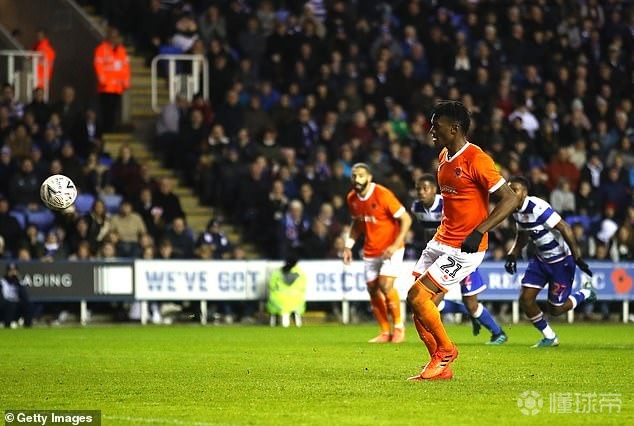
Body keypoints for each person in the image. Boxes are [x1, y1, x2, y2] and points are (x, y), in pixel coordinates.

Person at [406, 101, 519, 381]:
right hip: (440, 240)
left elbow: (510, 199)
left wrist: (480, 231)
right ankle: (442, 367)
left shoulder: (477, 159)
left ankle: (446, 351)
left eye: (436, 126)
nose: (431, 130)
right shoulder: (444, 156)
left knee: (419, 298)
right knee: (416, 304)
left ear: (454, 128)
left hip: (464, 248)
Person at [411, 173, 507, 345]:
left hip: (461, 254)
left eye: (425, 188)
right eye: (418, 189)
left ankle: (498, 333)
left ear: (435, 190)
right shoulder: (416, 208)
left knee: (471, 304)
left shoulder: (445, 203)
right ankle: (441, 345)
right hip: (440, 254)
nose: (421, 192)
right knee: (431, 301)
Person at [505, 176, 596, 347]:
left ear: (525, 193)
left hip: (562, 261)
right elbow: (523, 235)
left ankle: (586, 293)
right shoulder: (514, 211)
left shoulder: (537, 207)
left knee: (555, 309)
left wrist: (577, 256)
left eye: (514, 189)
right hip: (540, 260)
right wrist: (513, 254)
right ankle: (550, 336)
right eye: (509, 190)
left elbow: (564, 227)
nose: (511, 193)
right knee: (525, 299)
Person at [343, 162, 412, 343]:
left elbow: (406, 219)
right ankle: (384, 331)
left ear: (369, 178)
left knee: (385, 284)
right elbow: (357, 224)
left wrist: (396, 244)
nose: (356, 179)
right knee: (372, 290)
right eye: (354, 176)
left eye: (360, 176)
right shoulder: (352, 198)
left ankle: (399, 327)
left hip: (392, 248)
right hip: (371, 250)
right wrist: (348, 246)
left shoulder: (382, 194)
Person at [94, 27, 130, 132]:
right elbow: (98, 65)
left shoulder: (121, 51)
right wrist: (102, 80)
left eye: (115, 36)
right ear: (108, 37)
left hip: (117, 87)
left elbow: (125, 67)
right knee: (106, 109)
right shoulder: (101, 49)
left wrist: (125, 83)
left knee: (114, 110)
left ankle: (112, 128)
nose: (114, 38)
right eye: (112, 36)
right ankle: (105, 130)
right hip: (106, 87)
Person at [267, 251, 307, 328]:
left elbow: (271, 286)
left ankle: (273, 323)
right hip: (296, 301)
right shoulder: (300, 273)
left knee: (274, 307)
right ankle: (297, 324)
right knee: (296, 309)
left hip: (278, 301)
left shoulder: (277, 272)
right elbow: (303, 288)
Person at [0, 262, 32, 328]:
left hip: (16, 305)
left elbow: (24, 296)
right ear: (7, 272)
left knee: (28, 304)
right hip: (4, 306)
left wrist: (18, 282)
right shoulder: (2, 282)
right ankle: (7, 324)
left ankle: (27, 325)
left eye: (14, 271)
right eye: (10, 271)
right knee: (10, 304)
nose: (12, 273)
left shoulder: (18, 282)